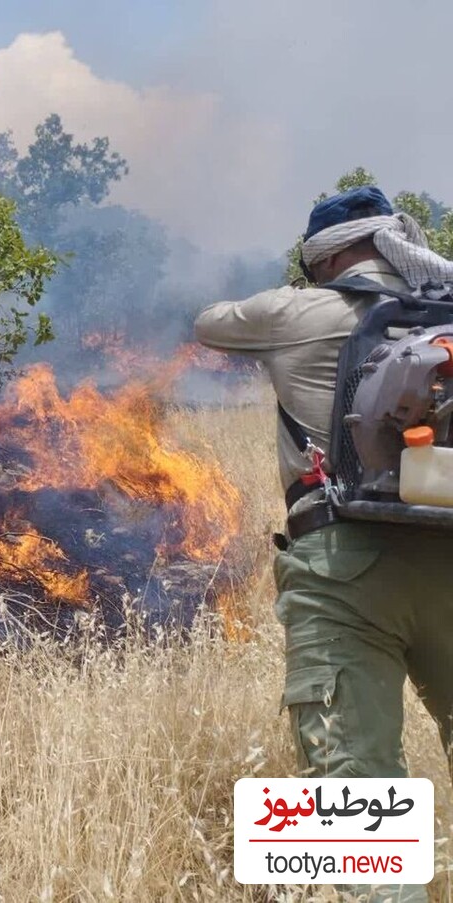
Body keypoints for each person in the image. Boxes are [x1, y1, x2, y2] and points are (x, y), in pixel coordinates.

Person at [196, 187, 453, 898]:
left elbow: (206, 323)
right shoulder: (448, 305)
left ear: (324, 257)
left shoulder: (298, 310)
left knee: (354, 808)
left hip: (343, 570)